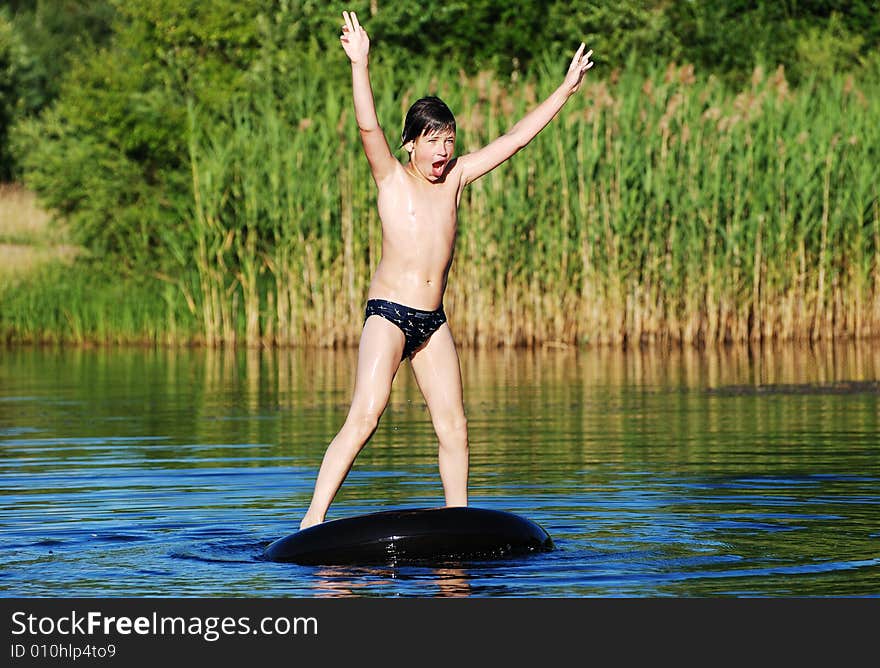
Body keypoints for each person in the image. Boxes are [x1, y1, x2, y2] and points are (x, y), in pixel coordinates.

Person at [299, 10, 594, 529]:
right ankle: (312, 521)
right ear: (412, 143)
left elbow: (515, 139)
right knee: (366, 416)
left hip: (432, 322)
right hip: (388, 315)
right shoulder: (391, 178)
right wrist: (359, 63)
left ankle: (457, 520)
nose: (444, 150)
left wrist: (564, 92)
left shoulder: (456, 178)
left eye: (449, 139)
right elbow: (368, 123)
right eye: (433, 140)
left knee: (454, 426)